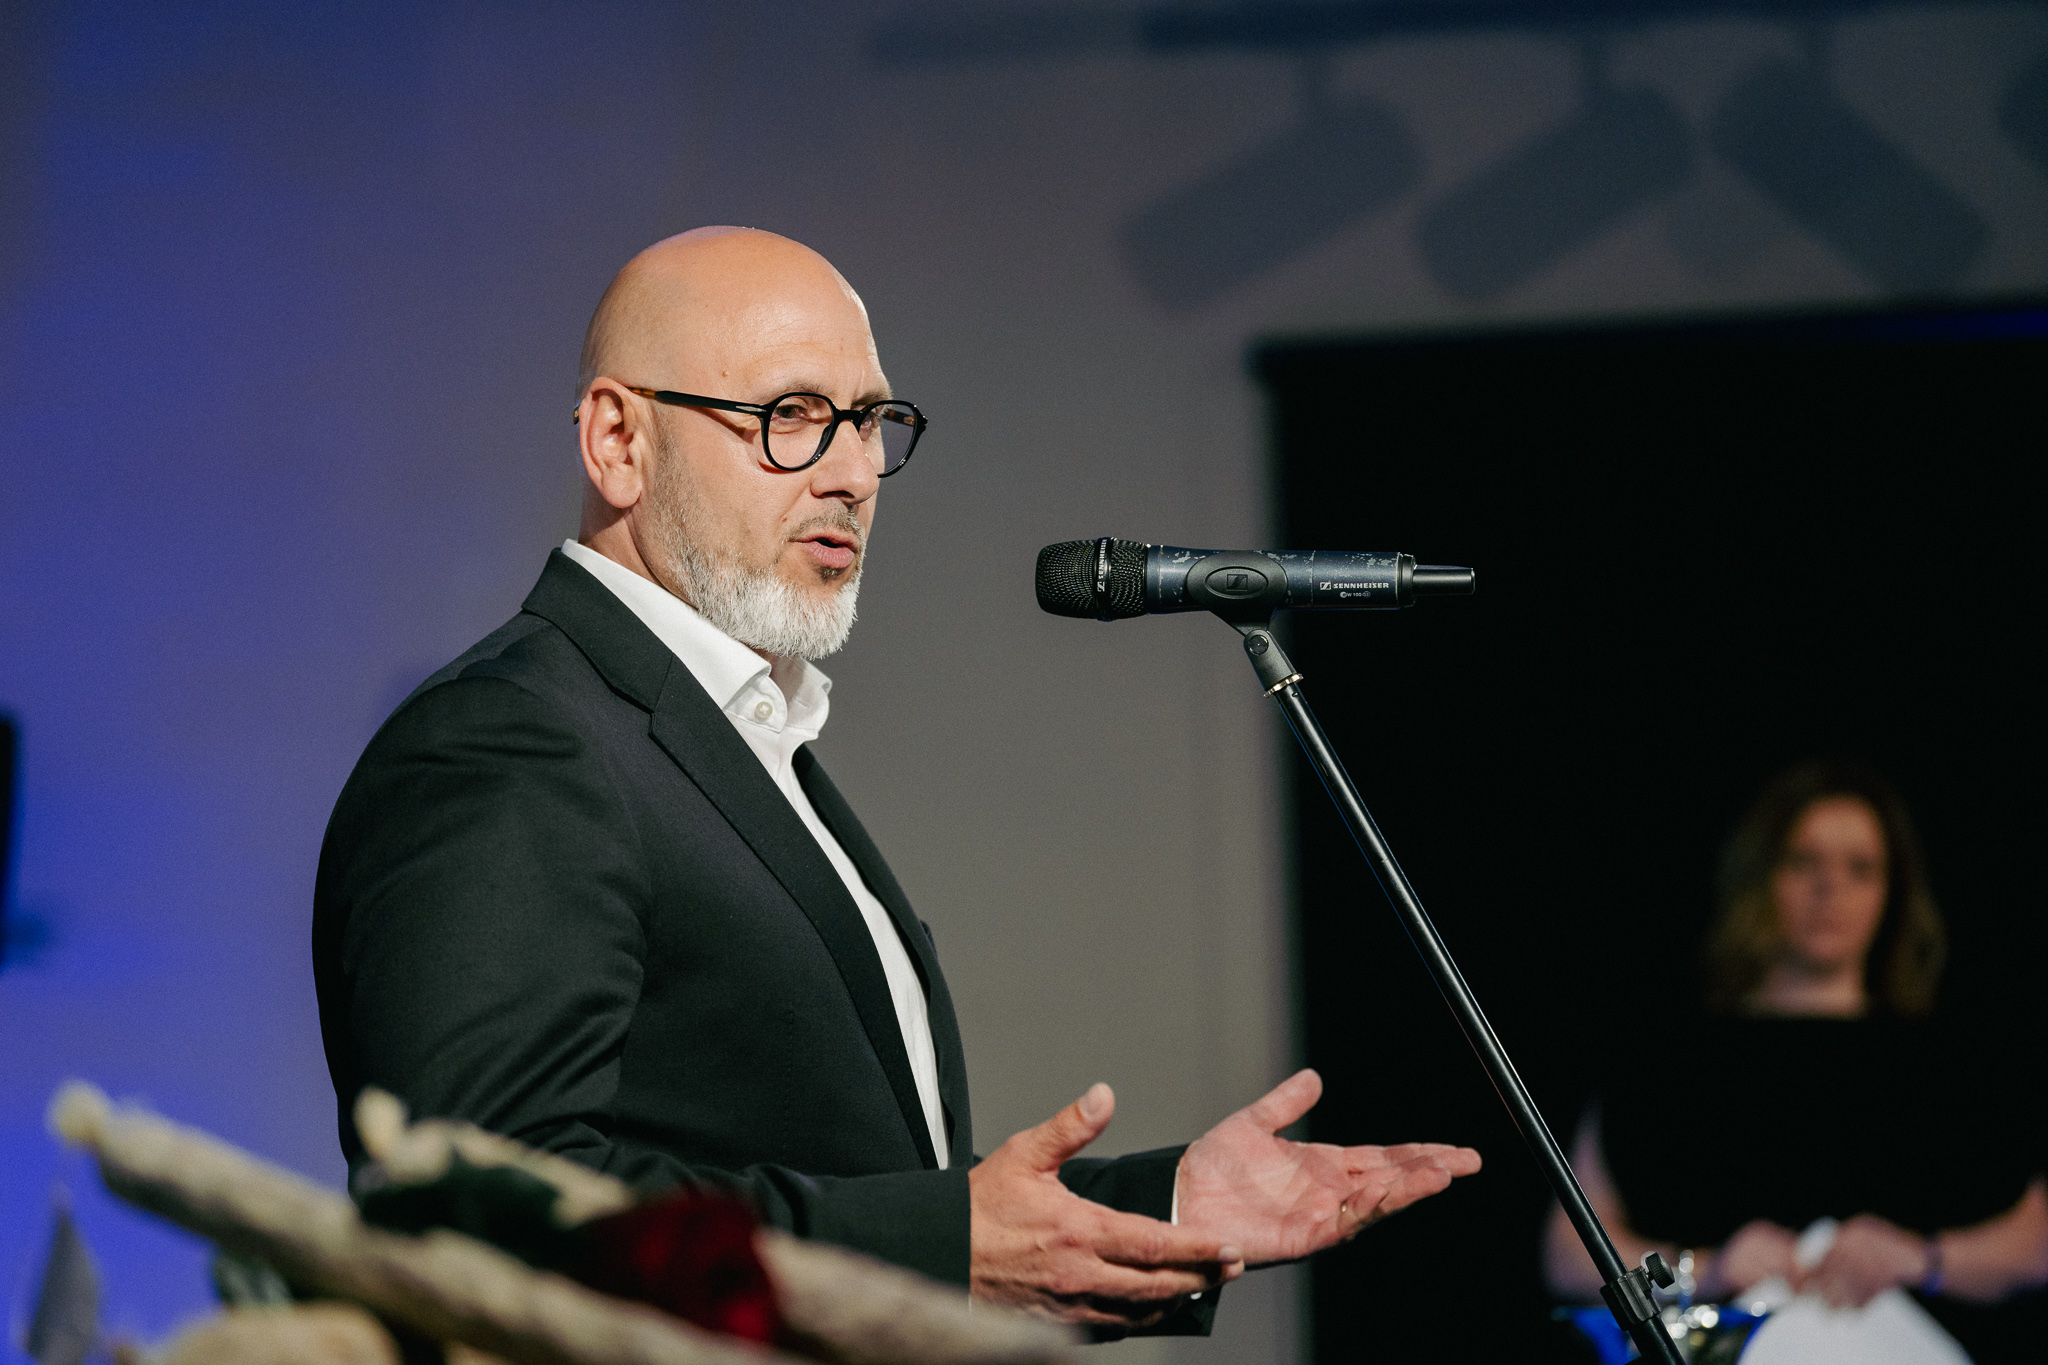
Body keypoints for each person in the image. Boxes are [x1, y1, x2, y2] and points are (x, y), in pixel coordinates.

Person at [313, 227, 1480, 1335]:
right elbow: (483, 1215)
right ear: (619, 441)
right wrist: (948, 1251)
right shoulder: (510, 745)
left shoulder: (739, 736)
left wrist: (1165, 1211)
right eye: (790, 416)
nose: (854, 471)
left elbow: (850, 1182)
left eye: (872, 421)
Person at [1543, 760, 2047, 1326]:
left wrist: (1921, 1259)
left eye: (1860, 868)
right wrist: (1705, 1270)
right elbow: (1567, 1253)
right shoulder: (1666, 1060)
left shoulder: (1954, 1064)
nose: (1830, 887)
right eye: (1804, 861)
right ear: (1761, 876)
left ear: (1893, 891)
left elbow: (2035, 1244)